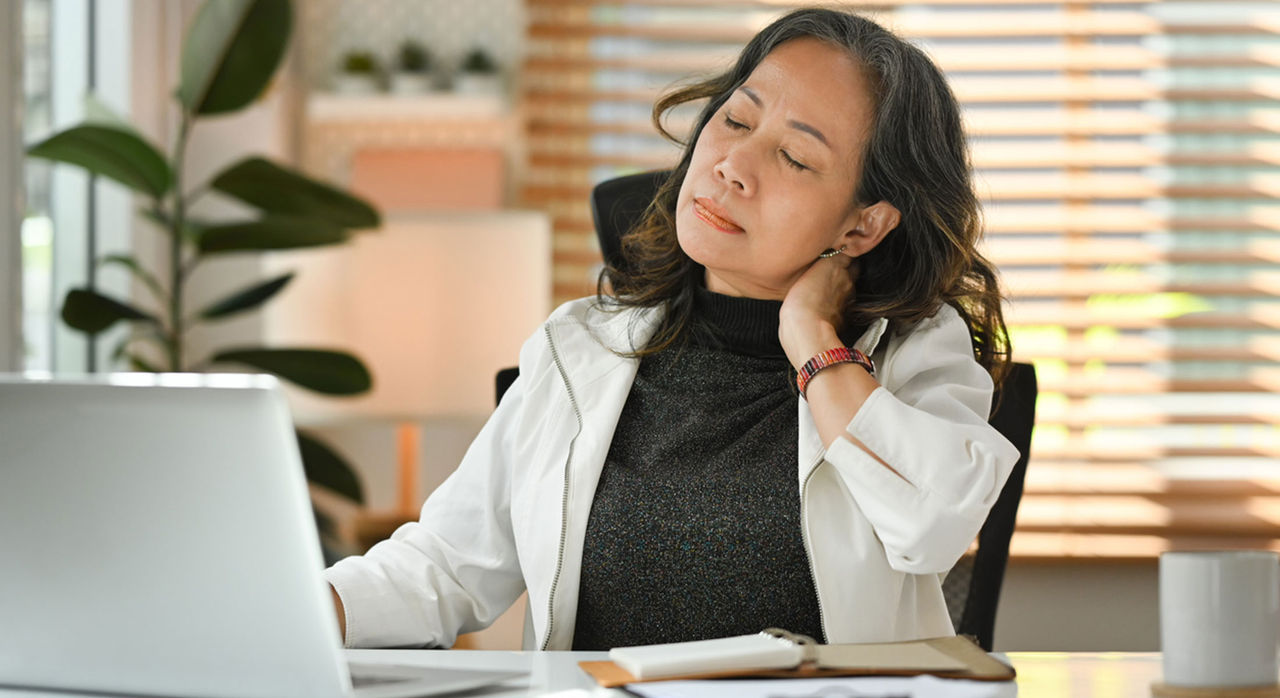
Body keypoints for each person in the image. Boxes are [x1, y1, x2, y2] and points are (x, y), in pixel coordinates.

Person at [324, 7, 1020, 651]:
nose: (731, 166)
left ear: (863, 224)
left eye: (795, 158)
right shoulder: (580, 349)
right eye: (736, 122)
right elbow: (446, 567)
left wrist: (812, 338)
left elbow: (930, 526)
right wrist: (302, 607)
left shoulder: (911, 356)